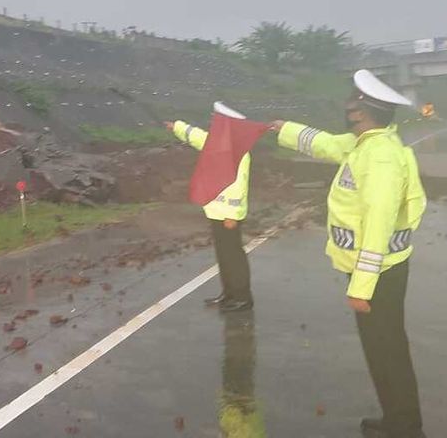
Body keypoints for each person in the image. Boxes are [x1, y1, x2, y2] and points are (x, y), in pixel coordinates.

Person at [269, 69, 426, 438]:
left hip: (378, 273)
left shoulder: (381, 157)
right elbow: (325, 143)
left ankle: (406, 426)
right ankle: (396, 419)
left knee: (387, 350)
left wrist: (362, 284)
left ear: (362, 112)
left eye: (352, 101)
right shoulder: (365, 143)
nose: (346, 106)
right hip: (373, 270)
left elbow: (378, 220)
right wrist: (284, 129)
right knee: (380, 348)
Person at [166, 101, 254, 313]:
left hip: (228, 215)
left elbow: (238, 185)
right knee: (223, 255)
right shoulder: (219, 143)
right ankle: (229, 294)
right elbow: (197, 137)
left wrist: (231, 215)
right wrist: (177, 126)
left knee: (233, 256)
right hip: (216, 211)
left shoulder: (238, 151)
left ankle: (242, 297)